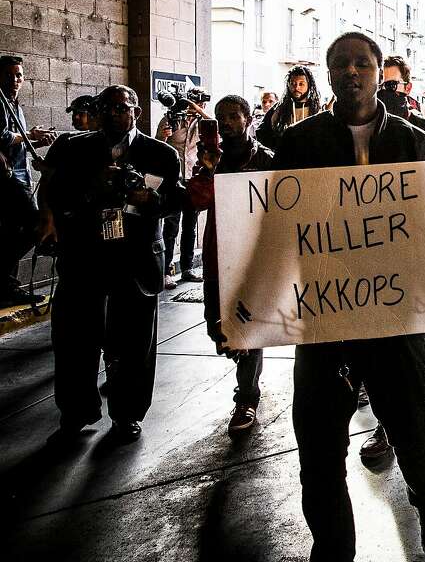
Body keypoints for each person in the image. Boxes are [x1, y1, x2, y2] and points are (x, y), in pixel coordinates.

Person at [272, 31, 425, 562]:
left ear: (379, 72)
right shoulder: (300, 144)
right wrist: (246, 312)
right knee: (319, 447)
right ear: (328, 75)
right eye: (341, 64)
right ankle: (332, 545)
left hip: (394, 318)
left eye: (362, 63)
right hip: (324, 322)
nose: (352, 71)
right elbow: (272, 232)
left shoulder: (416, 142)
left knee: (414, 430)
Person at [36, 85, 180, 442]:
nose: (116, 113)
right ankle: (75, 411)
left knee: (134, 342)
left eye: (124, 106)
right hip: (85, 255)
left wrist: (152, 198)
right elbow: (53, 194)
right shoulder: (73, 148)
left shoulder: (160, 153)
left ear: (137, 112)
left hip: (136, 257)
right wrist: (91, 191)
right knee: (74, 338)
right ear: (98, 112)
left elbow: (177, 199)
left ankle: (127, 413)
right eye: (108, 107)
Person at [359, 54, 425, 462]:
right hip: (376, 257)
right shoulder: (359, 135)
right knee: (387, 353)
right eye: (383, 86)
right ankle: (386, 426)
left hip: (419, 253)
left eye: (394, 86)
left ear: (408, 89)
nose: (388, 94)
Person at [189, 95, 274, 434]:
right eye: (221, 117)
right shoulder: (212, 159)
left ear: (249, 118)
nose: (226, 122)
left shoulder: (266, 158)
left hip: (252, 257)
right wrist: (208, 169)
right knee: (219, 328)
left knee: (247, 328)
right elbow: (196, 200)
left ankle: (246, 398)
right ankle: (240, 361)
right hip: (218, 255)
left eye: (234, 116)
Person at [0, 55, 54, 305]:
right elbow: (3, 137)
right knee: (36, 224)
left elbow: (16, 140)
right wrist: (29, 135)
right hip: (7, 179)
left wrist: (34, 141)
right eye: (9, 75)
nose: (15, 80)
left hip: (20, 175)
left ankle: (7, 287)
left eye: (19, 75)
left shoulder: (15, 104)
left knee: (12, 231)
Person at [157, 87, 210, 289]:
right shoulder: (170, 119)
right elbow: (157, 146)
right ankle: (165, 270)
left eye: (201, 104)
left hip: (193, 180)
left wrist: (195, 108)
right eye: (197, 102)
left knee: (190, 226)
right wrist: (164, 136)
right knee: (170, 226)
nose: (200, 107)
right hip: (174, 180)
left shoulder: (202, 123)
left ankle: (187, 267)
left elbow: (214, 125)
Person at [256, 65, 322, 151]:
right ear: (288, 85)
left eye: (301, 84)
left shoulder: (318, 109)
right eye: (293, 83)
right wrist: (278, 148)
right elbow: (261, 132)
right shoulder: (278, 109)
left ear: (309, 85)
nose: (296, 87)